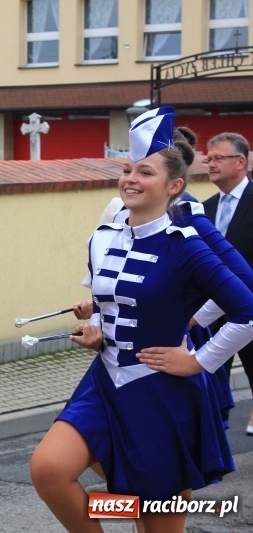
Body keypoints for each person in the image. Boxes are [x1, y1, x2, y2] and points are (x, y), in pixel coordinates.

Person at [30, 107, 253, 533]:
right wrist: (98, 332)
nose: (131, 179)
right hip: (104, 382)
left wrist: (199, 360)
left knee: (154, 519)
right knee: (49, 470)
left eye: (145, 172)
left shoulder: (188, 243)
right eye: (128, 169)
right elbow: (112, 303)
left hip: (162, 392)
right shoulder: (102, 238)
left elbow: (248, 308)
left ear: (174, 186)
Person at [199, 132, 253, 435]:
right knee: (210, 379)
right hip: (212, 311)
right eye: (208, 159)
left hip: (250, 307)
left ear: (240, 162)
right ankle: (214, 436)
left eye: (218, 158)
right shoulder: (204, 209)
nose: (211, 164)